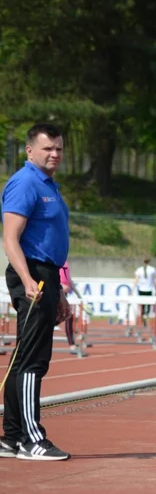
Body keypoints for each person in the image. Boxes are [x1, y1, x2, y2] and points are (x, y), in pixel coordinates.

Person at [1, 123, 72, 461]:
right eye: (48, 148)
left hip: (46, 276)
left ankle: (12, 436)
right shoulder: (25, 183)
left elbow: (50, 243)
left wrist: (59, 291)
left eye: (58, 148)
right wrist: (28, 280)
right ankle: (32, 438)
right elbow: (11, 238)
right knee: (33, 360)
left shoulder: (49, 186)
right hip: (33, 275)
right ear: (30, 150)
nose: (55, 154)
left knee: (24, 357)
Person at [59, 260, 82, 355]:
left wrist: (78, 294)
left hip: (64, 294)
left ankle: (71, 344)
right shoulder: (55, 260)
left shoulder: (65, 263)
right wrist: (60, 287)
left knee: (68, 316)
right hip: (56, 292)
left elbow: (69, 280)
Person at [133, 258, 156, 327]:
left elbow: (136, 280)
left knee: (142, 306)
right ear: (149, 262)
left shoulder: (139, 269)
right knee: (148, 305)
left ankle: (143, 318)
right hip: (149, 289)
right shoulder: (152, 269)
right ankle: (146, 316)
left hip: (141, 289)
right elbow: (154, 280)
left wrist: (133, 288)